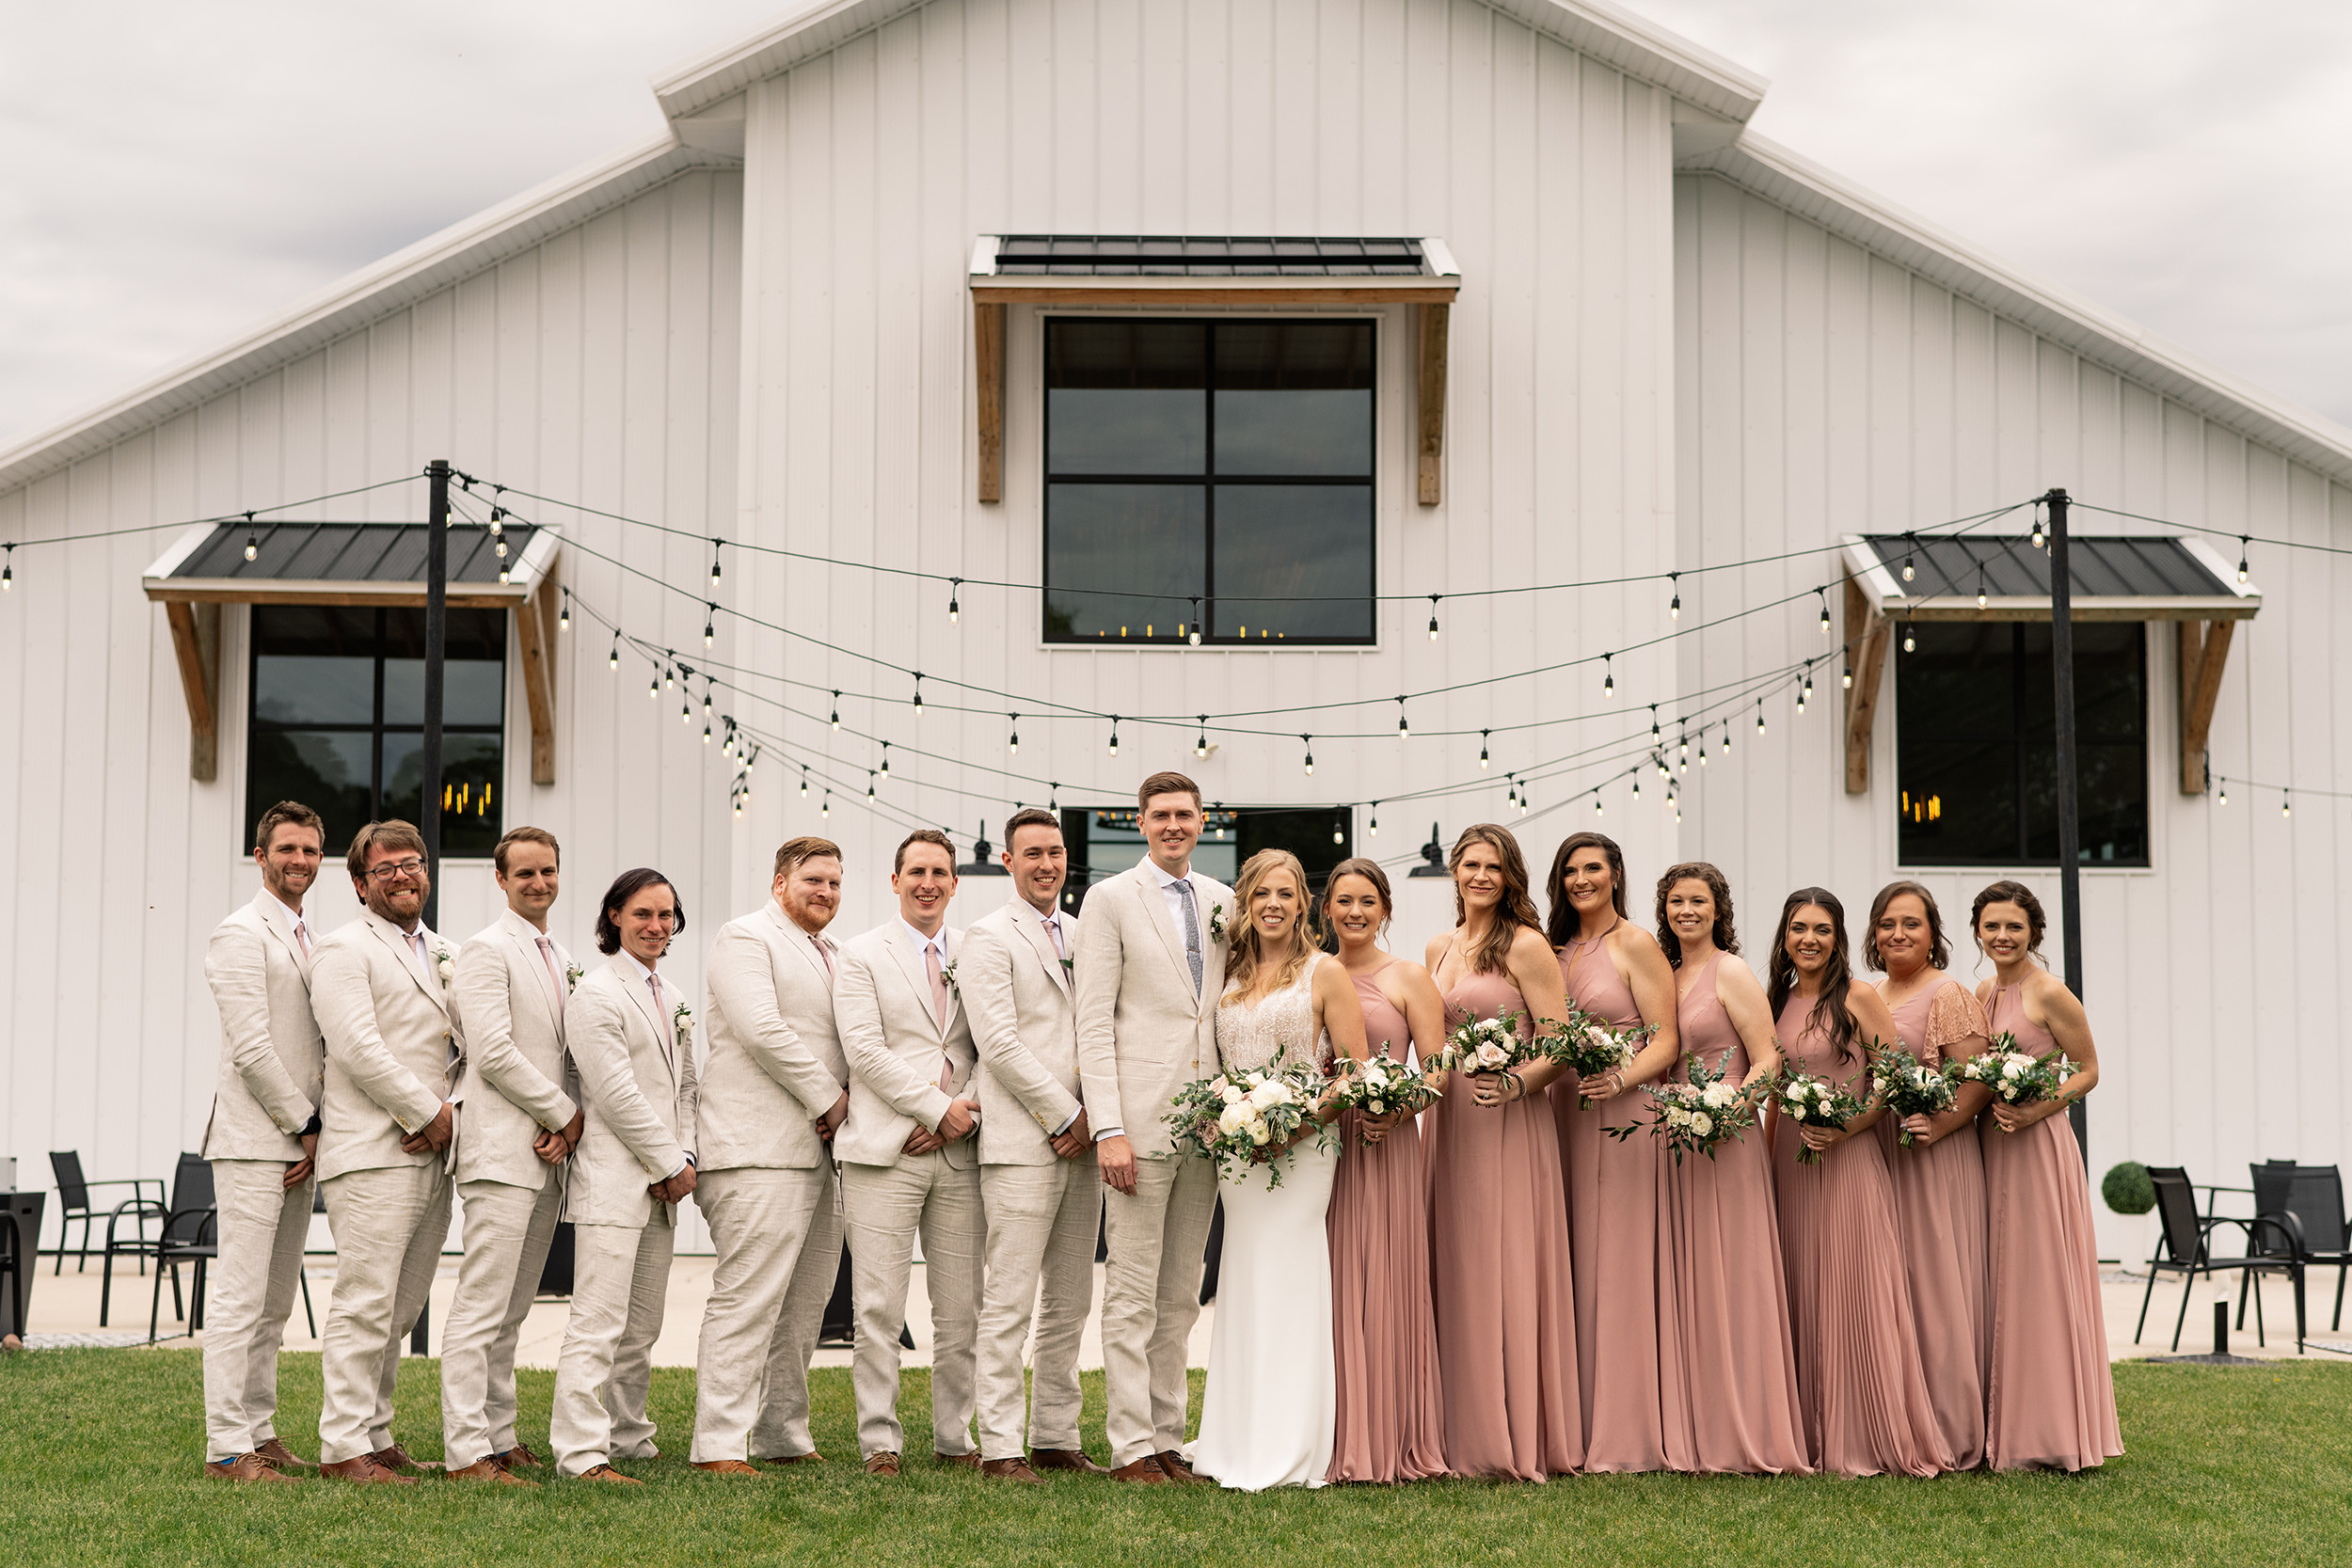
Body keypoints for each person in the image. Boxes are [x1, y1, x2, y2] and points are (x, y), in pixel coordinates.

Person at [1072, 771, 1232, 1485]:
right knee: (1133, 1293)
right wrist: (1108, 1126)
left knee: (1181, 1294)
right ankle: (1130, 1446)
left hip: (1209, 1127)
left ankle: (1169, 1436)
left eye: (1185, 815)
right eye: (1161, 814)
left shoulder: (1224, 902)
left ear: (1204, 822)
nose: (1174, 824)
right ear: (1140, 821)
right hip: (1136, 1125)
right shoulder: (1109, 899)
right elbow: (1093, 1019)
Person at [1190, 849, 1369, 1491]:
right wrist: (1222, 1118)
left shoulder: (1326, 973)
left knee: (1291, 1280)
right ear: (1246, 900)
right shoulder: (1227, 971)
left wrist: (1298, 1121)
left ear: (1304, 904)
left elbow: (1353, 1071)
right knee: (1243, 1280)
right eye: (1262, 892)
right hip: (1238, 1152)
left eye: (1286, 894)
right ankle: (1235, 1435)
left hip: (1303, 1149)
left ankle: (1292, 1441)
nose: (1273, 903)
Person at [1766, 887, 1949, 1478]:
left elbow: (1894, 1079)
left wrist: (1847, 1127)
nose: (1808, 940)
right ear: (1784, 937)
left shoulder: (1858, 996)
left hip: (1848, 1161)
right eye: (1798, 928)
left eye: (1821, 929)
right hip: (1791, 1160)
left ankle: (1866, 1433)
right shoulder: (1778, 999)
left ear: (1839, 938)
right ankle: (1807, 1433)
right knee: (1801, 1285)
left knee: (1854, 1290)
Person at [1422, 825, 1581, 1481]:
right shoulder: (1438, 945)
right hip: (1449, 1119)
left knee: (1504, 1260)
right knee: (1457, 1258)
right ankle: (1456, 1423)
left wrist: (1516, 1081)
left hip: (1509, 1120)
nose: (1480, 875)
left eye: (1493, 866)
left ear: (1510, 875)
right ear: (1454, 871)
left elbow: (1562, 1040)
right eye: (1470, 864)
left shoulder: (1525, 944)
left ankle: (1510, 1429)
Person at [690, 837, 853, 1475]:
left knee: (804, 1302)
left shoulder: (835, 952)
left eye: (836, 883)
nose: (826, 892)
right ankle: (719, 1445)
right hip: (757, 1147)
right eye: (814, 879)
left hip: (823, 1154)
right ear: (781, 880)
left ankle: (781, 1431)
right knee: (748, 1297)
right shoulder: (745, 938)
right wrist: (831, 1099)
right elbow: (762, 1029)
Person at [308, 819, 460, 1484]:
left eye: (413, 862)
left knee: (401, 1304)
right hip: (373, 1150)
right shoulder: (343, 949)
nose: (403, 875)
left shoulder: (447, 950)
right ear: (359, 881)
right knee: (366, 1300)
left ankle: (375, 1430)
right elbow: (357, 1047)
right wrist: (432, 1115)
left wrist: (452, 1121)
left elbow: (464, 1050)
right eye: (387, 866)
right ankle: (342, 1446)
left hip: (434, 1154)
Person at [832, 829, 984, 1478]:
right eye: (915, 870)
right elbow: (863, 1049)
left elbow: (990, 1044)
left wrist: (965, 1112)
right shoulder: (861, 954)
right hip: (882, 1152)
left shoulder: (979, 952)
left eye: (940, 872)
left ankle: (955, 1434)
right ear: (895, 881)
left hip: (960, 1151)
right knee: (878, 1305)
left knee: (960, 1306)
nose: (928, 882)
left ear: (955, 883)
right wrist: (933, 1108)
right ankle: (880, 1442)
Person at [961, 809, 1104, 1482]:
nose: (1046, 864)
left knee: (1071, 1296)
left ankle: (1054, 1431)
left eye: (1055, 852)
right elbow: (998, 1042)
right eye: (1032, 854)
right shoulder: (989, 937)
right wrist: (1065, 1112)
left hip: (1086, 1140)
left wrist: (1096, 1119)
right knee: (1010, 1297)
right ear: (1010, 862)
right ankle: (999, 1445)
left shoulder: (1083, 932)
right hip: (1024, 1140)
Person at [1654, 863, 1809, 1475]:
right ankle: (1691, 1419)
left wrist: (1729, 1106)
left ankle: (1745, 1425)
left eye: (1698, 900)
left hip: (1728, 1140)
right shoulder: (1665, 974)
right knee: (1687, 1274)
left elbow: (1769, 1057)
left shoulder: (1732, 971)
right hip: (1675, 1141)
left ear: (1719, 908)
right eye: (1676, 900)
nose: (1686, 910)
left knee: (1733, 1273)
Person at [442, 826, 582, 1485]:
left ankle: (500, 1434)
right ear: (501, 879)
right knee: (481, 1305)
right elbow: (493, 1051)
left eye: (547, 870)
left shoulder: (561, 953)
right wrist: (563, 1113)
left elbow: (568, 1051)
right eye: (524, 873)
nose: (538, 882)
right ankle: (467, 1449)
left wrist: (568, 1126)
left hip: (548, 1154)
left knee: (515, 1306)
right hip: (501, 1149)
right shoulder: (484, 950)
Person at [1545, 832, 1688, 1473]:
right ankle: (1570, 1416)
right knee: (1573, 1257)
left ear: (1616, 873)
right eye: (1571, 870)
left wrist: (1622, 1077)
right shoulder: (1555, 948)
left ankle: (1626, 1423)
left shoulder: (1635, 943)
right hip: (1562, 1116)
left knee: (1620, 1263)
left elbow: (1667, 1039)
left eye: (1592, 868)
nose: (1581, 879)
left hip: (1624, 1113)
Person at [551, 869, 699, 1484]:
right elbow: (613, 1094)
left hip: (664, 1182)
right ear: (614, 915)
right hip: (614, 1179)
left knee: (642, 1324)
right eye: (643, 913)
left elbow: (686, 1089)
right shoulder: (596, 993)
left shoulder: (671, 994)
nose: (656, 926)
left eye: (666, 915)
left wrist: (684, 1156)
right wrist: (669, 1162)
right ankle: (581, 1452)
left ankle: (628, 1432)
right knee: (599, 1320)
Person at [1971, 881, 2122, 1472]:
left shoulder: (2051, 993)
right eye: (1992, 927)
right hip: (1991, 1140)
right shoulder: (1983, 990)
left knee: (2039, 1277)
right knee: (1998, 1273)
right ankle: (1998, 1420)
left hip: (2037, 1147)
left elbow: (2088, 1070)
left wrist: (2036, 1107)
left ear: (2033, 931)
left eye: (2014, 926)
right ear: (1979, 932)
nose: (2003, 937)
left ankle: (2050, 1430)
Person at [199, 800, 329, 1483]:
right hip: (257, 1138)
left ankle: (260, 1428)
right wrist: (307, 1125)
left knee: (276, 1299)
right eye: (287, 849)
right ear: (261, 855)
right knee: (240, 1296)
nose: (299, 860)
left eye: (310, 850)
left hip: (301, 1145)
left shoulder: (312, 936)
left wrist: (316, 1136)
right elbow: (252, 1047)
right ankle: (226, 1445)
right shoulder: (239, 933)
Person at [1322, 858, 1449, 1483]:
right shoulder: (1310, 974)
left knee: (1385, 1275)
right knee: (1330, 1280)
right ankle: (1327, 1425)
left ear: (1386, 910)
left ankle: (1390, 1430)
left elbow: (1436, 1069)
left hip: (1386, 1140)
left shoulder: (1408, 977)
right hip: (1319, 1140)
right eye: (1343, 900)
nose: (1354, 911)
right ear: (1325, 908)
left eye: (1367, 901)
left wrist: (1400, 1112)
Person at [1867, 880, 1993, 1471]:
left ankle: (1952, 1426)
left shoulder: (1950, 994)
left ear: (1932, 932)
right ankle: (1902, 1415)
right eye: (1888, 923)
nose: (1898, 934)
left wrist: (1941, 1128)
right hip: (1885, 1156)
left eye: (1911, 924)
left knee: (1938, 1285)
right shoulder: (1871, 993)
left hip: (1936, 1157)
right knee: (1899, 1289)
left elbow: (1976, 1079)